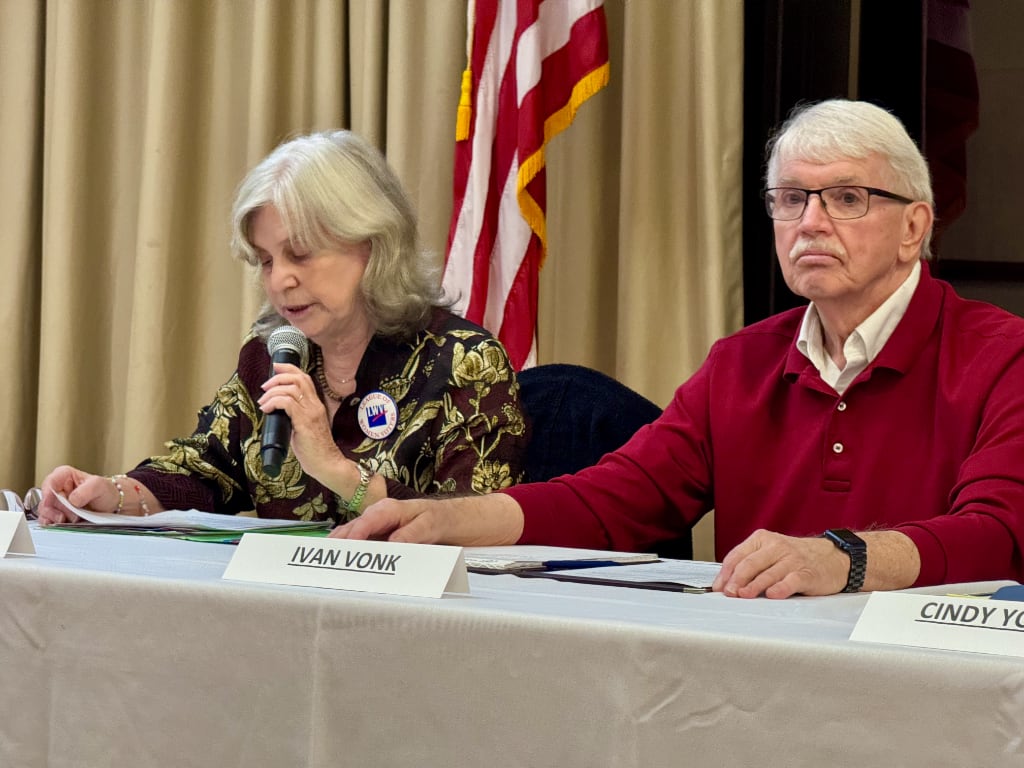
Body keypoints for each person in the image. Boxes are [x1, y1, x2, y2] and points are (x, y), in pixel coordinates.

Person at [333, 99, 1024, 598]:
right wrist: (448, 519)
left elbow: (999, 536)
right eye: (789, 199)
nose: (810, 222)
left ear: (913, 227)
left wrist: (840, 558)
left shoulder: (1002, 356)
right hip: (757, 673)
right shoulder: (741, 363)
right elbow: (615, 500)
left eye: (845, 198)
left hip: (937, 683)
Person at [38, 130, 527, 526]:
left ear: (373, 245)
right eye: (267, 260)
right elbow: (204, 470)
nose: (280, 279)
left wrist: (335, 468)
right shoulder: (274, 353)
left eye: (301, 254)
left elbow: (478, 523)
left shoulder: (463, 362)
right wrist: (113, 494)